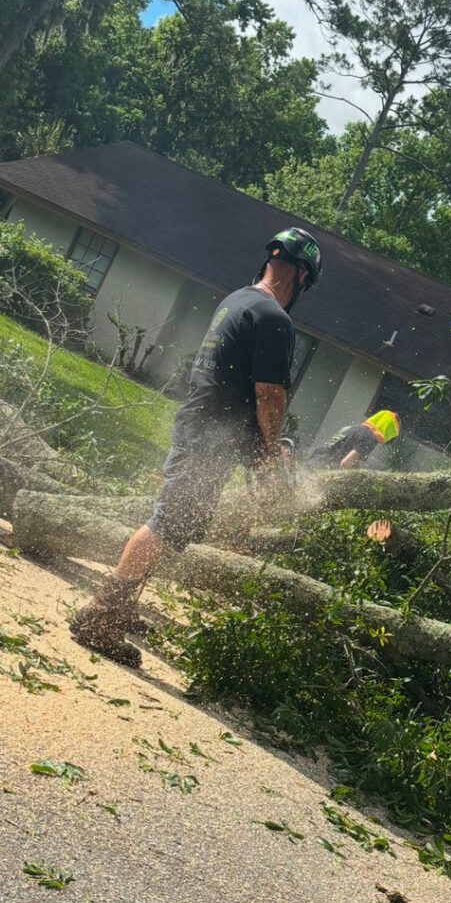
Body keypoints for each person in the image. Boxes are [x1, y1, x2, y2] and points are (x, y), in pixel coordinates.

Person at [70, 228, 322, 666]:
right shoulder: (274, 319)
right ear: (301, 277)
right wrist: (269, 452)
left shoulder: (237, 301)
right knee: (166, 523)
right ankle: (99, 614)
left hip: (203, 430)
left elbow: (234, 382)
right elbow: (269, 394)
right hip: (209, 439)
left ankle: (121, 607)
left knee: (177, 525)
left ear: (270, 260)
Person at [305, 410, 400, 470]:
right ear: (389, 432)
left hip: (311, 462)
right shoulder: (370, 440)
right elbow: (345, 463)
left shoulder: (353, 428)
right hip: (317, 471)